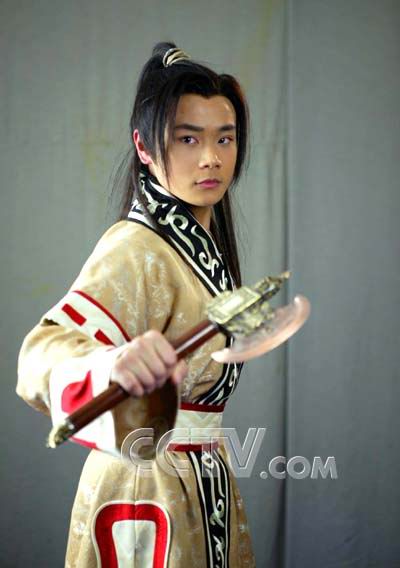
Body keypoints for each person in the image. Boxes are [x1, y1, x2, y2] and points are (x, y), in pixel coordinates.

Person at [17, 42, 256, 567]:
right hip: (143, 493)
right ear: (144, 147)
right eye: (188, 139)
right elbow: (38, 353)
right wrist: (111, 365)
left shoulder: (197, 248)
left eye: (225, 138)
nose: (211, 157)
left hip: (199, 478)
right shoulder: (135, 247)